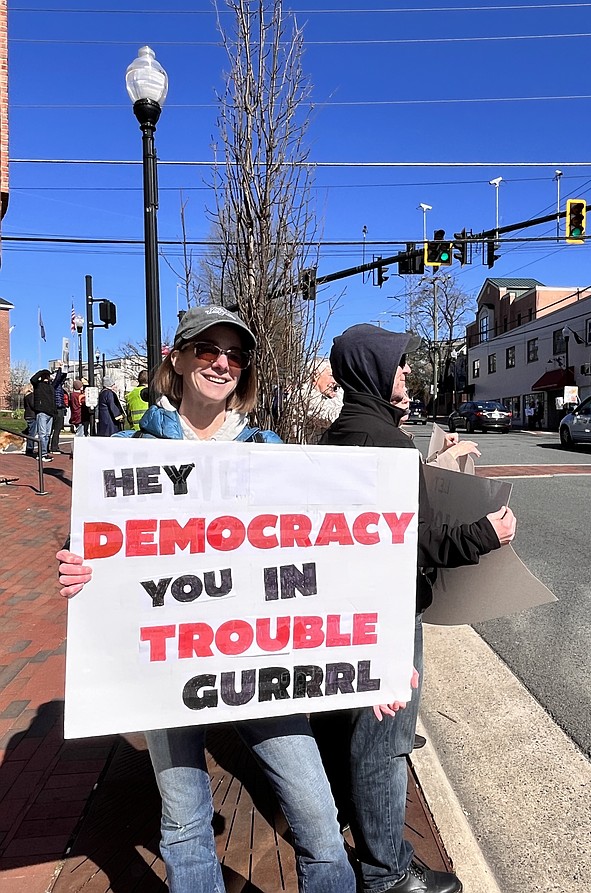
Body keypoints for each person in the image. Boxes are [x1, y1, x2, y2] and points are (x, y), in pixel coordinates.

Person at [56, 305, 356, 893]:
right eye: (208, 350)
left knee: (319, 823)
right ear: (178, 355)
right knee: (186, 828)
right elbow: (95, 546)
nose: (222, 363)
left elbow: (333, 555)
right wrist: (76, 566)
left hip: (258, 664)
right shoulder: (129, 451)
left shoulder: (270, 452)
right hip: (170, 669)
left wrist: (380, 656)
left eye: (234, 356)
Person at [312, 323, 517, 893]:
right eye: (398, 364)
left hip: (348, 608)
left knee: (349, 725)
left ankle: (355, 826)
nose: (406, 372)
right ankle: (387, 871)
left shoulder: (342, 437)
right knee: (386, 740)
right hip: (389, 611)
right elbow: (409, 540)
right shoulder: (385, 445)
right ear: (373, 371)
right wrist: (484, 534)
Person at [298, 357, 343, 443]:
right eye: (331, 375)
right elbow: (330, 417)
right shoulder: (303, 396)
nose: (335, 381)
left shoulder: (328, 395)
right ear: (315, 375)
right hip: (310, 453)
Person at [30, 368, 57, 461]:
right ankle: (42, 454)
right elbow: (32, 379)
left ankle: (44, 453)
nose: (46, 378)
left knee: (47, 434)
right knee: (42, 434)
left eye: (47, 376)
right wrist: (43, 372)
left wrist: (61, 370)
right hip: (42, 412)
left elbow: (58, 380)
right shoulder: (37, 385)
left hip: (50, 413)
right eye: (45, 376)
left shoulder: (51, 386)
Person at [49, 364, 68, 453]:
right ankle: (52, 447)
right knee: (52, 429)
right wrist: (60, 368)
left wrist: (65, 368)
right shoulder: (52, 385)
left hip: (60, 408)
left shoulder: (59, 385)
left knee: (57, 429)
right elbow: (57, 379)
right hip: (55, 408)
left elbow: (62, 377)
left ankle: (54, 447)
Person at [23, 384, 37, 457]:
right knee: (32, 433)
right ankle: (29, 448)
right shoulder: (31, 395)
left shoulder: (25, 396)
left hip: (27, 415)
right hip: (32, 415)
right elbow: (33, 405)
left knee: (30, 430)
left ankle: (23, 434)